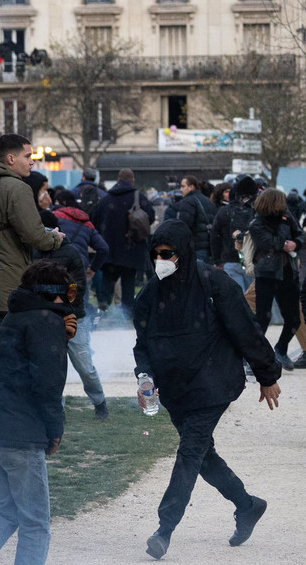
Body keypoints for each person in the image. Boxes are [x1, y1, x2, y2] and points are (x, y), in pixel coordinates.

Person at [134, 220, 281, 560]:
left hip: (214, 383)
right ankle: (247, 505)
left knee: (189, 452)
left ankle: (164, 529)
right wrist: (145, 377)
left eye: (167, 254)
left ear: (183, 252)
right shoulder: (149, 295)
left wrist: (267, 374)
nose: (161, 261)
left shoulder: (215, 283)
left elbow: (246, 331)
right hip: (175, 390)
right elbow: (142, 346)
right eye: (155, 255)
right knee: (203, 456)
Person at [0, 261, 77, 565]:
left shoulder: (15, 317)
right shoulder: (46, 322)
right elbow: (47, 384)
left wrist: (60, 337)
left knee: (6, 512)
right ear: (51, 293)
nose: (71, 300)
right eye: (68, 292)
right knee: (35, 523)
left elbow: (22, 363)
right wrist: (55, 429)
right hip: (19, 435)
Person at [0, 134, 64, 339]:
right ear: (10, 159)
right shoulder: (17, 188)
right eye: (28, 156)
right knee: (16, 360)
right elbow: (36, 236)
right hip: (12, 292)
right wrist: (55, 238)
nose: (32, 161)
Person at [38, 210, 109, 419]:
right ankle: (57, 411)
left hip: (73, 317)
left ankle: (99, 402)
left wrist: (52, 299)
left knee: (85, 367)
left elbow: (76, 287)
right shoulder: (33, 252)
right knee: (52, 370)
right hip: (46, 319)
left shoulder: (70, 253)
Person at [246, 188, 303, 371]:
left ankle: (281, 348)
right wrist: (286, 243)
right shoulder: (257, 222)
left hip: (288, 273)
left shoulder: (287, 216)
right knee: (263, 318)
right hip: (267, 274)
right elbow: (266, 242)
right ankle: (255, 358)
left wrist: (297, 242)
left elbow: (300, 234)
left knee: (294, 319)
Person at [93, 169, 155, 318]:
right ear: (132, 179)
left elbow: (95, 220)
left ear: (117, 179)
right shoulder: (138, 198)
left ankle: (104, 312)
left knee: (108, 283)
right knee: (128, 285)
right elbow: (150, 218)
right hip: (131, 248)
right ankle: (127, 315)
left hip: (110, 250)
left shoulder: (106, 199)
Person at [210, 176, 258, 291]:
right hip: (251, 259)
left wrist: (217, 260)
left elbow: (214, 237)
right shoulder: (254, 210)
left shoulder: (223, 212)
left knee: (236, 296)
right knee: (252, 297)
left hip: (229, 260)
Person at [164, 175, 216, 264]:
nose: (180, 189)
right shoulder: (208, 201)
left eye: (183, 186)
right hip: (208, 248)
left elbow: (184, 225)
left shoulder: (188, 201)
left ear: (191, 187)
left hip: (194, 247)